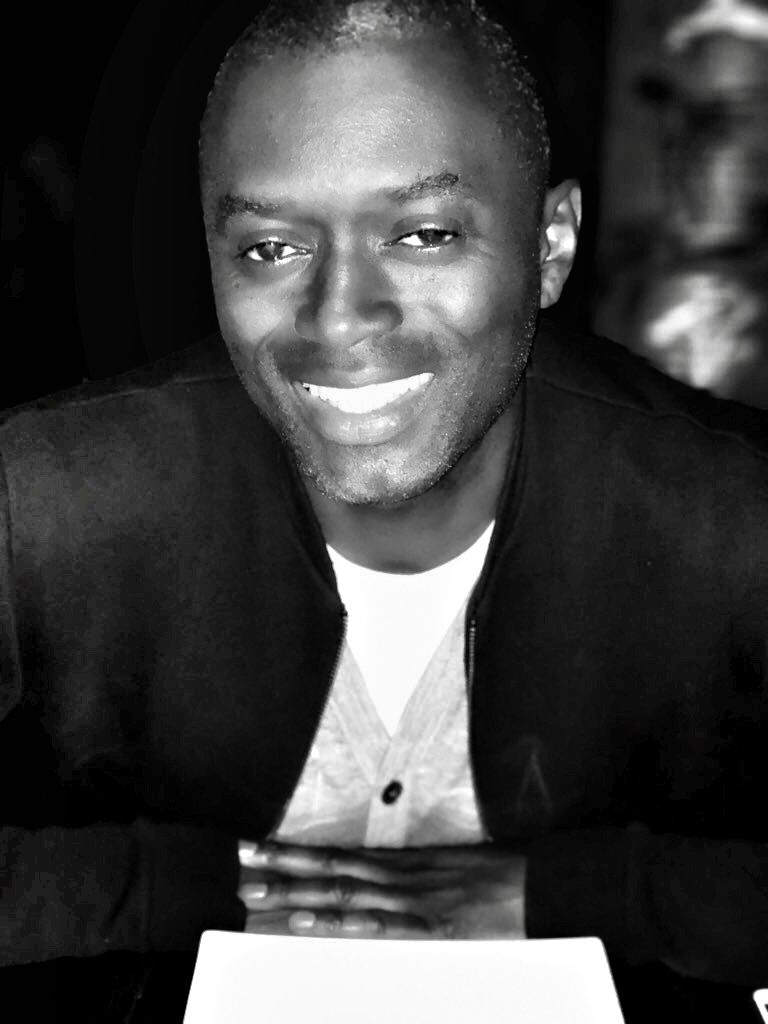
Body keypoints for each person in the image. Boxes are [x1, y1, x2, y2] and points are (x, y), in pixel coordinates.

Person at [0, 1, 766, 1021]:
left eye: (424, 235)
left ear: (550, 245)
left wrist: (573, 891)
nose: (340, 316)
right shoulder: (44, 498)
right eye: (271, 249)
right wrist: (169, 886)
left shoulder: (727, 510)